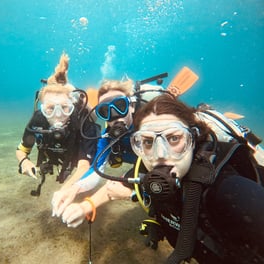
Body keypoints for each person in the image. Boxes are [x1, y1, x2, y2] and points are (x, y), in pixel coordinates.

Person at [128, 93, 264, 263]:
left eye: (174, 138)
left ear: (192, 140)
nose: (160, 154)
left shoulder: (231, 190)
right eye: (148, 142)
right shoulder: (145, 175)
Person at [51, 78, 139, 221]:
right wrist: (74, 189)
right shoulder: (106, 139)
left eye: (120, 105)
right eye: (105, 111)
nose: (115, 115)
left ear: (132, 106)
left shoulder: (149, 128)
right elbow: (95, 171)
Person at [16, 52, 99, 196]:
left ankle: (93, 96)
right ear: (42, 108)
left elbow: (84, 165)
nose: (58, 115)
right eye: (50, 109)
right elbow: (21, 149)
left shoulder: (82, 121)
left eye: (65, 108)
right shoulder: (38, 120)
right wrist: (24, 162)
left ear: (72, 107)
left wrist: (63, 191)